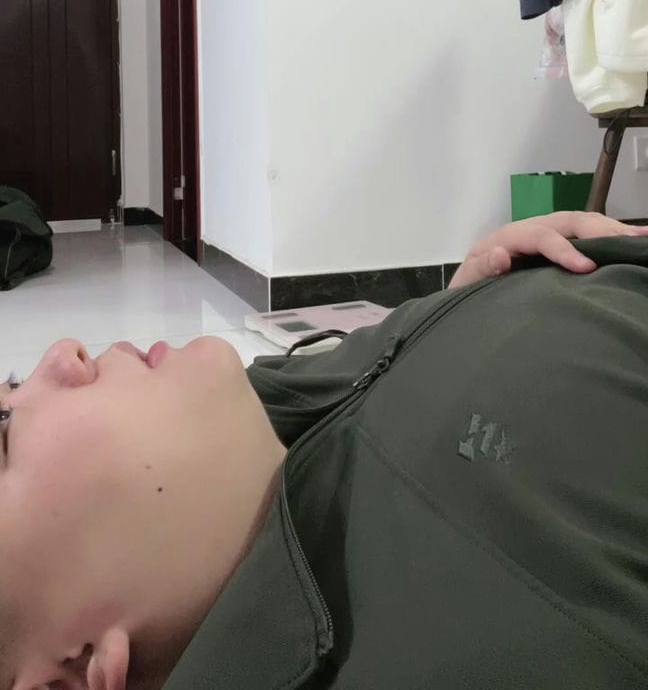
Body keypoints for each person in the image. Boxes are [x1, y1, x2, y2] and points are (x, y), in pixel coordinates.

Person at [3, 212, 648, 690]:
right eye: (4, 433)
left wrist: (455, 309)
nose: (63, 354)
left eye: (10, 384)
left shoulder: (247, 433)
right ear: (75, 671)